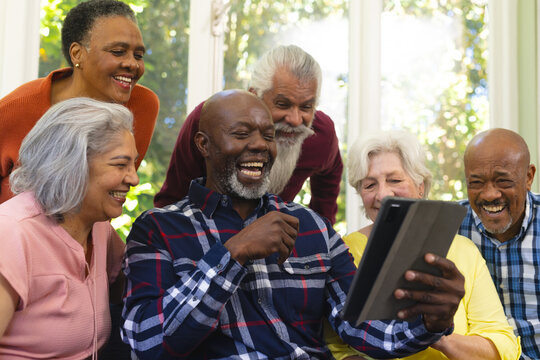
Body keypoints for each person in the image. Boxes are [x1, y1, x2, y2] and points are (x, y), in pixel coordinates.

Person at [121, 89, 466, 359]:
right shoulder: (158, 229)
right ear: (204, 145)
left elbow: (362, 327)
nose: (259, 145)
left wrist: (430, 322)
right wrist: (233, 253)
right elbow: (147, 343)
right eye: (242, 133)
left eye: (267, 135)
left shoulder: (312, 226)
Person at [327, 130, 521, 360]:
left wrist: (436, 333)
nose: (383, 194)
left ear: (421, 185)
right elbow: (335, 348)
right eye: (369, 185)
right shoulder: (344, 253)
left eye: (395, 180)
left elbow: (502, 347)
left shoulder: (463, 250)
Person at [0, 97, 139, 359]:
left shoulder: (99, 229)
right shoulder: (10, 234)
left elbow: (139, 286)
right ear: (71, 166)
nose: (134, 178)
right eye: (121, 165)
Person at [154, 44, 342, 224]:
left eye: (306, 107)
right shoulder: (207, 120)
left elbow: (329, 182)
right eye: (283, 104)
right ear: (255, 94)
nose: (295, 119)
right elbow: (173, 199)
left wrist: (318, 237)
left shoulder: (321, 135)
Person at [0, 0, 159, 204]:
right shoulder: (16, 108)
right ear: (77, 54)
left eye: (138, 55)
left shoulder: (143, 105)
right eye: (118, 52)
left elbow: (111, 194)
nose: (132, 64)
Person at [459, 128, 539, 359]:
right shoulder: (449, 227)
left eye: (503, 181)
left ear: (528, 177)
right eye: (476, 182)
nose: (490, 194)